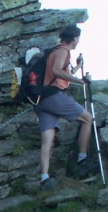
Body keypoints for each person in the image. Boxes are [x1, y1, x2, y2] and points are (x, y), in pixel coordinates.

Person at [33, 24, 93, 189]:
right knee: (87, 119)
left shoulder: (55, 51)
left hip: (41, 100)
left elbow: (61, 73)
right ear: (74, 38)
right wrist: (81, 81)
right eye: (78, 37)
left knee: (47, 140)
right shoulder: (63, 51)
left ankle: (44, 178)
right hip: (54, 96)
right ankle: (82, 158)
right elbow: (57, 71)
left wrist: (77, 67)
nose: (78, 41)